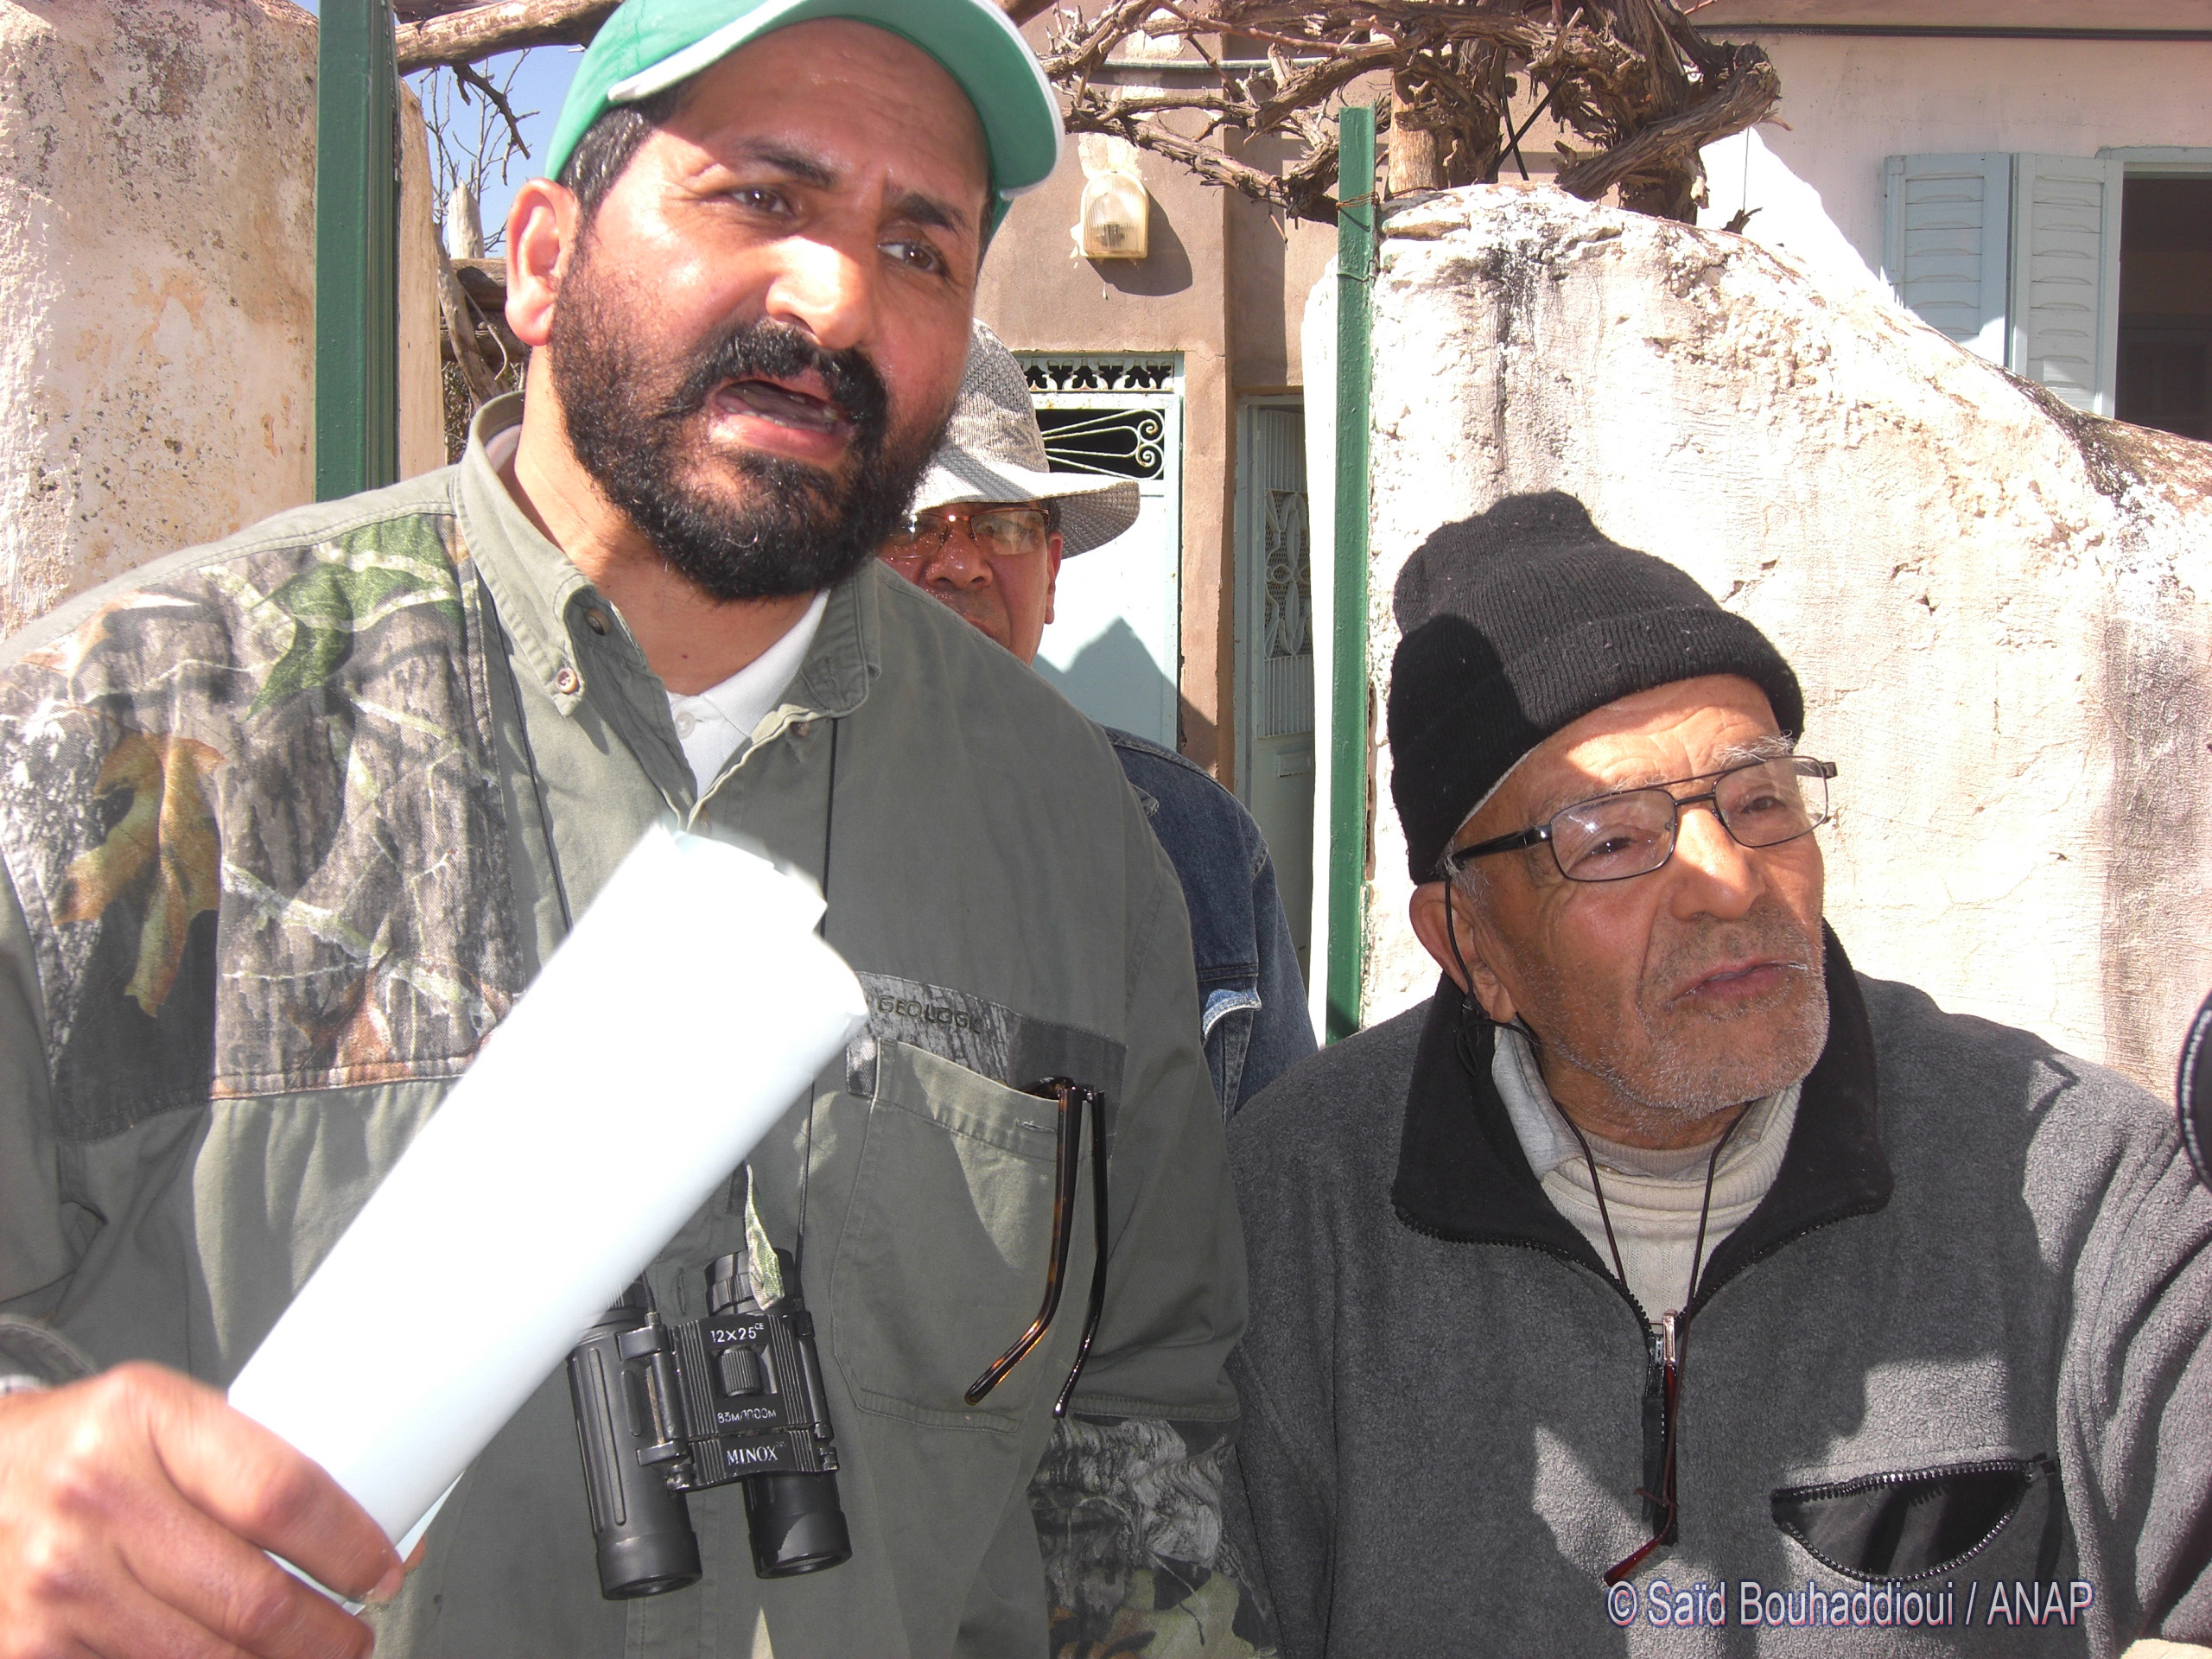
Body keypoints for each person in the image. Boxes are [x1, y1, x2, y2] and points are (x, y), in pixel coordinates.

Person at [0, 3, 1267, 1655]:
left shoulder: (1069, 826)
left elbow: (1146, 1427)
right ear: (540, 259)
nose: (837, 298)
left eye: (920, 247)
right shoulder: (120, 739)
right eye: (760, 196)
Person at [1225, 493, 2212, 1656]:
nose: (1731, 881)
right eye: (1613, 839)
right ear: (1469, 945)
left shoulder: (2077, 1185)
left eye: (1760, 801)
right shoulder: (1291, 1213)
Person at [880, 322, 1314, 1114]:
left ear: (1050, 574)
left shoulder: (1199, 844)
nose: (963, 563)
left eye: (1002, 523)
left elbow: (1282, 1161)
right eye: (914, 523)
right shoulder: (756, 827)